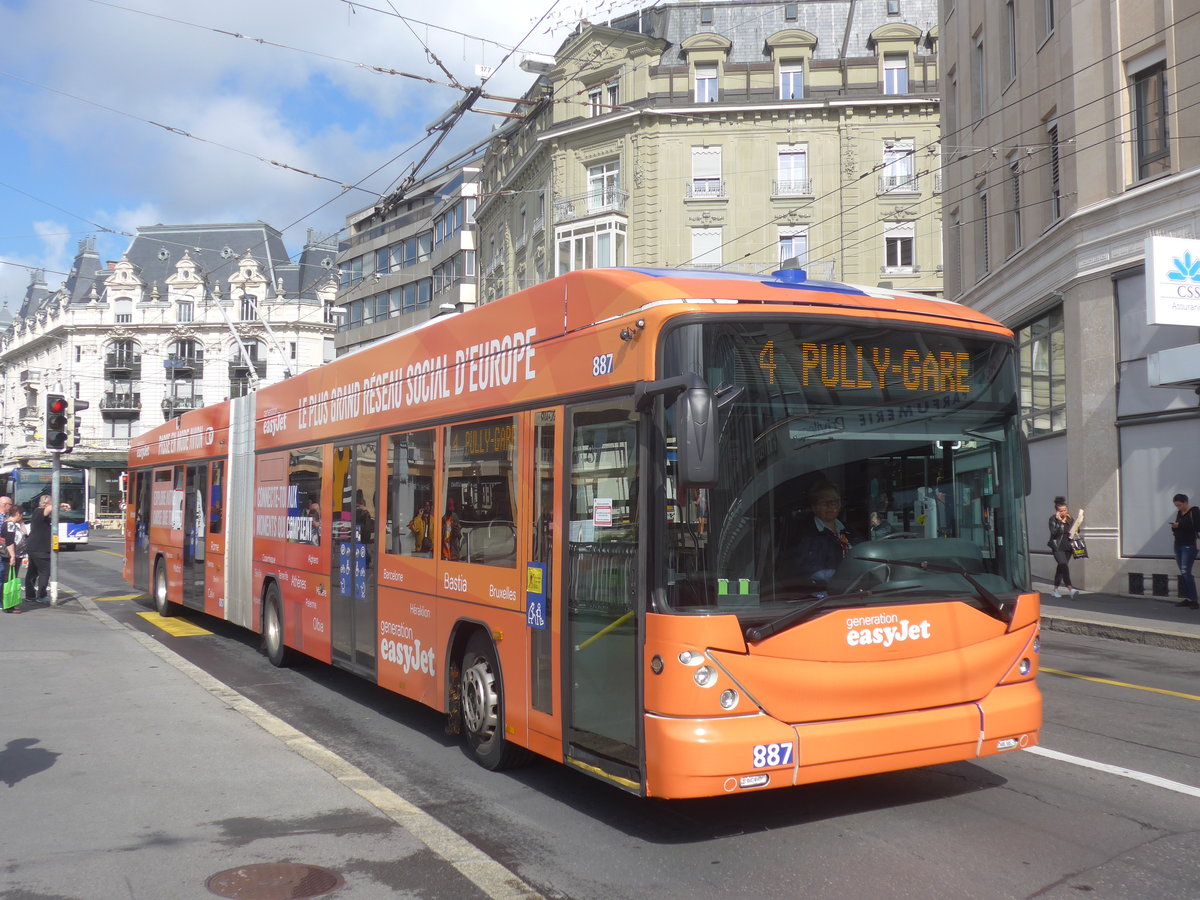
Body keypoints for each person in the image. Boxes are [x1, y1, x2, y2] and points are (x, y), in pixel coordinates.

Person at [786, 482, 857, 587]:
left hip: (855, 589)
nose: (830, 506)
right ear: (814, 507)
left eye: (834, 502)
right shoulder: (806, 536)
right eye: (824, 503)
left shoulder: (850, 530)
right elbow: (811, 571)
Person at [1170, 493, 1199, 609]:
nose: (1178, 508)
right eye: (1176, 506)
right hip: (1178, 545)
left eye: (1180, 505)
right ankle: (1188, 598)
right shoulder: (1179, 513)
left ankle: (1194, 601)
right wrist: (1174, 527)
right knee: (1183, 573)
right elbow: (1179, 527)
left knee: (1186, 572)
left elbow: (1197, 527)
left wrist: (1180, 525)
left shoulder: (1195, 511)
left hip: (1189, 545)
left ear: (1186, 502)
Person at [1047, 496, 1080, 599]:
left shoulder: (1070, 518)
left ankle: (1055, 590)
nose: (1064, 512)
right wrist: (1060, 521)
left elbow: (1076, 531)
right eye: (1061, 511)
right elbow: (1054, 532)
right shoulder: (1053, 519)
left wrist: (1077, 526)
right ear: (1057, 511)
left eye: (1065, 510)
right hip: (1057, 547)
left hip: (1068, 547)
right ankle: (1070, 588)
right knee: (1063, 565)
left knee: (1061, 568)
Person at [24, 493, 54, 604]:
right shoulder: (41, 511)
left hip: (33, 547)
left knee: (32, 572)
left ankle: (30, 595)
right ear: (46, 503)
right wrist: (61, 504)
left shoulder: (36, 512)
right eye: (52, 502)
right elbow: (49, 509)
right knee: (44, 572)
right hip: (40, 549)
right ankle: (41, 595)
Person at [3, 505, 26, 614]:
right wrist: (12, 556)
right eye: (21, 515)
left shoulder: (13, 524)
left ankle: (9, 604)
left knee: (10, 579)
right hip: (11, 556)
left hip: (15, 555)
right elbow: (9, 541)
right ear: (17, 514)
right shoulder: (10, 525)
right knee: (9, 580)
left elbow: (25, 534)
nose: (22, 517)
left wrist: (21, 523)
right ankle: (8, 605)